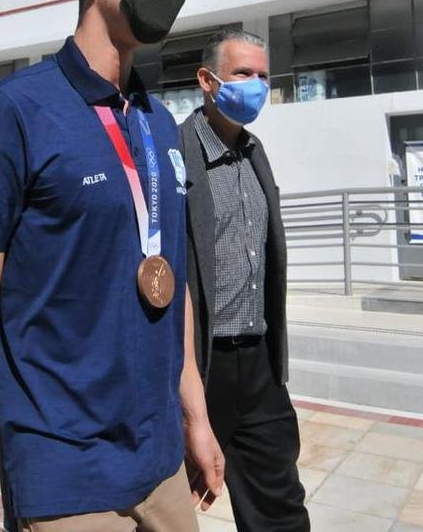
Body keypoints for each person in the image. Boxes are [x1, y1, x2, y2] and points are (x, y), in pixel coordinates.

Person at [0, 0, 224, 532]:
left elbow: (171, 287)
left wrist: (196, 417)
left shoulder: (160, 124)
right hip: (65, 473)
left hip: (161, 463)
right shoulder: (9, 109)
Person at [180, 30, 309, 531]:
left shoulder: (255, 152)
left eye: (262, 75)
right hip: (197, 366)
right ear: (207, 80)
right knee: (170, 506)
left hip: (257, 364)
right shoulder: (174, 155)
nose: (255, 85)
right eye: (242, 74)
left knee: (280, 508)